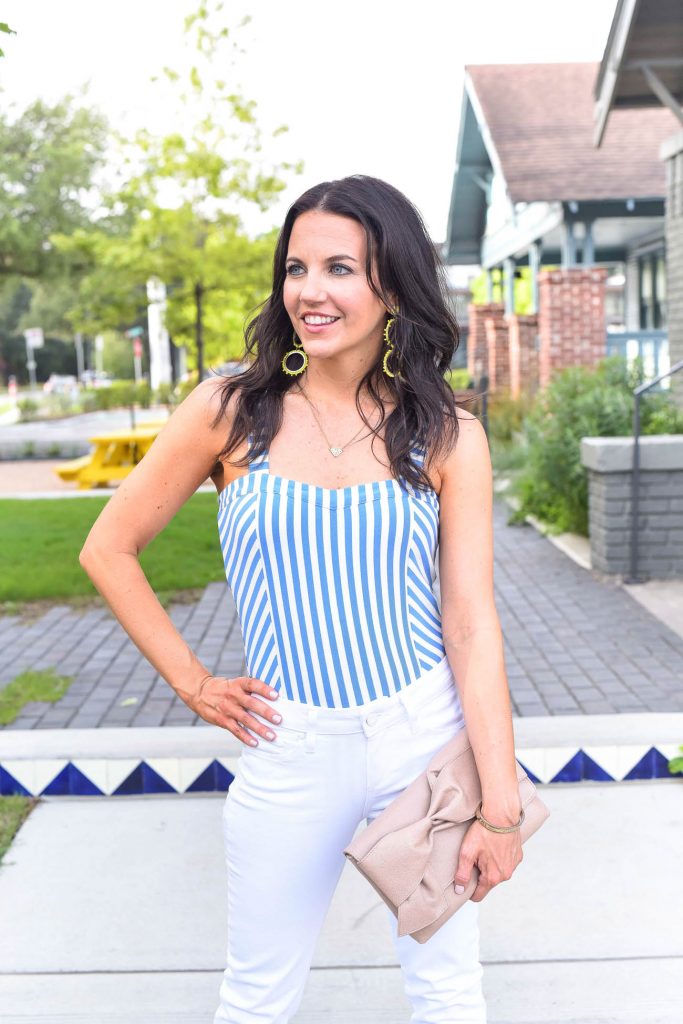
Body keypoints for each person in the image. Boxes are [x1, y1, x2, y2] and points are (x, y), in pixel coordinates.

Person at [79, 174, 524, 1023]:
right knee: (254, 999)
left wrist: (499, 808)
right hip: (290, 746)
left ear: (392, 286)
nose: (310, 292)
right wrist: (194, 683)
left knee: (448, 993)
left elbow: (471, 624)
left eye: (340, 269)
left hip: (420, 740)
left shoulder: (445, 431)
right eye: (296, 268)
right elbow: (108, 547)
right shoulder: (229, 408)